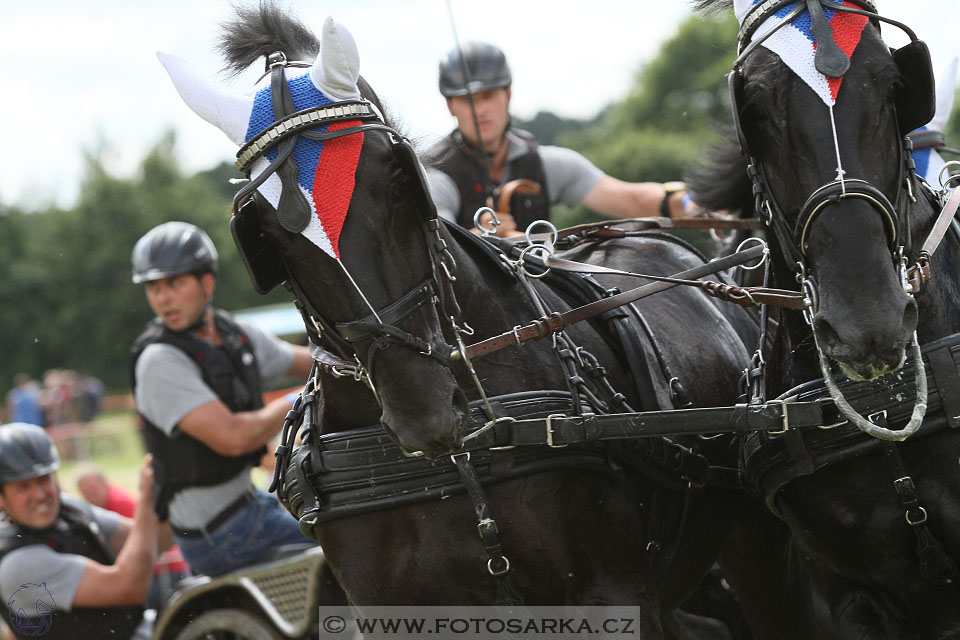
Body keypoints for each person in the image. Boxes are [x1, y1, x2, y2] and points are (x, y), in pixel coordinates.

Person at [129, 221, 316, 577]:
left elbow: (312, 362)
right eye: (153, 287)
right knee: (355, 550)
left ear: (207, 282)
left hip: (253, 506)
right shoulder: (159, 361)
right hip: (219, 536)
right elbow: (234, 438)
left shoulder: (233, 335)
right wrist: (305, 395)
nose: (162, 298)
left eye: (174, 282)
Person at [425, 41, 700, 237]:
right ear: (450, 106)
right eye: (466, 100)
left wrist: (694, 202)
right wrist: (479, 240)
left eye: (488, 96)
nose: (480, 110)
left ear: (507, 95)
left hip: (546, 309)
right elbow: (436, 247)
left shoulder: (546, 163)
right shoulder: (434, 178)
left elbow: (631, 200)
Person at [0, 423, 162, 640]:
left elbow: (150, 538)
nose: (40, 495)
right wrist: (146, 497)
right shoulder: (18, 563)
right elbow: (129, 587)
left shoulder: (68, 509)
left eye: (43, 479)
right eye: (23, 487)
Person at [74, 463, 190, 610]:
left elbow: (137, 543)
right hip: (153, 569)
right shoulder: (99, 509)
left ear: (105, 484)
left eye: (94, 489)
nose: (91, 496)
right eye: (86, 493)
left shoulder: (119, 503)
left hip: (165, 570)